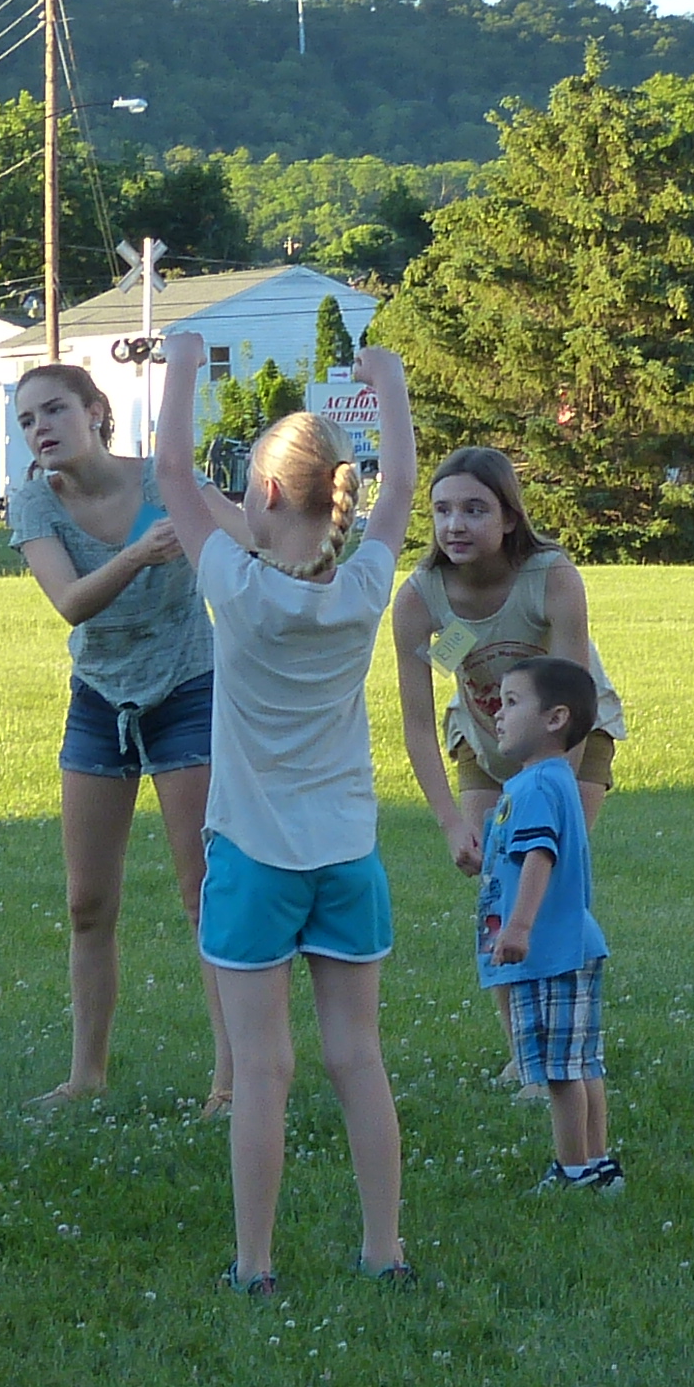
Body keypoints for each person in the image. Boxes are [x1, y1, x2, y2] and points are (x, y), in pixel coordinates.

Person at [150, 330, 419, 1292]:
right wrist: (388, 385)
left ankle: (254, 1266)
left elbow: (172, 474)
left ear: (264, 495)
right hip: (347, 857)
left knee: (261, 1071)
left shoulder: (236, 586)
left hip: (253, 859)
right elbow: (400, 488)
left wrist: (184, 366)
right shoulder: (365, 586)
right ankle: (384, 1251)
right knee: (359, 1059)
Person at [7, 359, 226, 1114]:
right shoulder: (35, 502)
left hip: (189, 689)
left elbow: (250, 538)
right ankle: (86, 1077)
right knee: (87, 902)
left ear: (96, 411)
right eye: (26, 420)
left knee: (204, 894)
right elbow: (71, 602)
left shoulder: (166, 481)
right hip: (100, 700)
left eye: (54, 410)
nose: (40, 429)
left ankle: (231, 1081)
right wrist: (138, 552)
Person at [394, 444, 626, 1095]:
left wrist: (547, 796)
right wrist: (450, 823)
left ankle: (566, 1045)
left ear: (509, 517)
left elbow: (573, 697)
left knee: (546, 886)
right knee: (499, 896)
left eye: (475, 509)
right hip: (485, 743)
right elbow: (417, 725)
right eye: (442, 510)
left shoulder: (550, 577)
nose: (455, 525)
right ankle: (525, 1054)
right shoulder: (420, 599)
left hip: (571, 739)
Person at [474, 655, 615, 1192]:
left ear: (555, 719)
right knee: (582, 1063)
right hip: (572, 942)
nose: (498, 712)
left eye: (512, 702)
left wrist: (518, 928)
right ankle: (598, 1163)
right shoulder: (554, 780)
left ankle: (573, 1169)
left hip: (548, 949)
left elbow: (540, 855)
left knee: (559, 1072)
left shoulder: (533, 787)